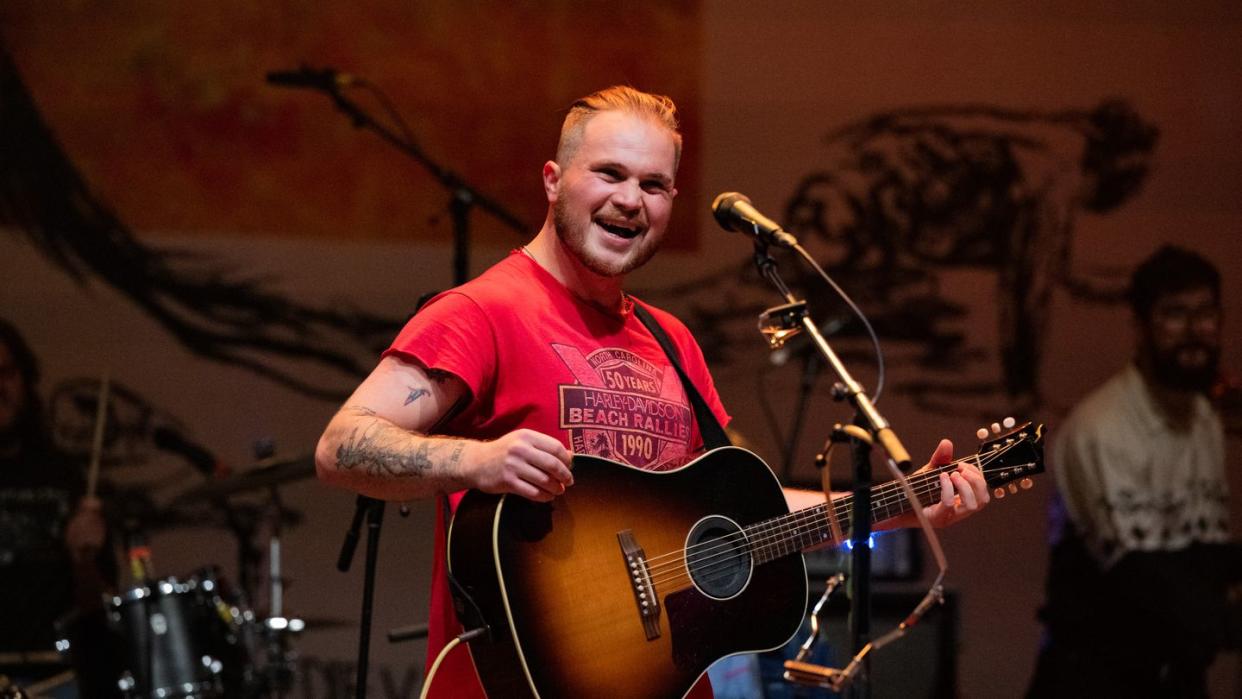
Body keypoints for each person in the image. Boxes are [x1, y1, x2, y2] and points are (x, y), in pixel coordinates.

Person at [315, 86, 991, 698]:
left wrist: (905, 506)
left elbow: (741, 509)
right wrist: (475, 461)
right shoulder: (482, 311)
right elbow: (342, 444)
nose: (631, 199)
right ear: (552, 181)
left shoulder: (672, 340)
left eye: (654, 184)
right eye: (608, 173)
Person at [1027, 246, 1235, 698]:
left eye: (1205, 314)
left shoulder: (1203, 418)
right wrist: (1227, 622)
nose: (1194, 332)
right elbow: (1138, 577)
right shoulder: (1100, 428)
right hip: (1096, 678)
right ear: (1141, 327)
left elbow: (1207, 550)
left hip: (1174, 674)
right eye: (1175, 315)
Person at [0, 319, 119, 698]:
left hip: (58, 678)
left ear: (26, 378)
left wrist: (82, 558)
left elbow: (99, 606)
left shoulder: (66, 478)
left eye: (5, 373)